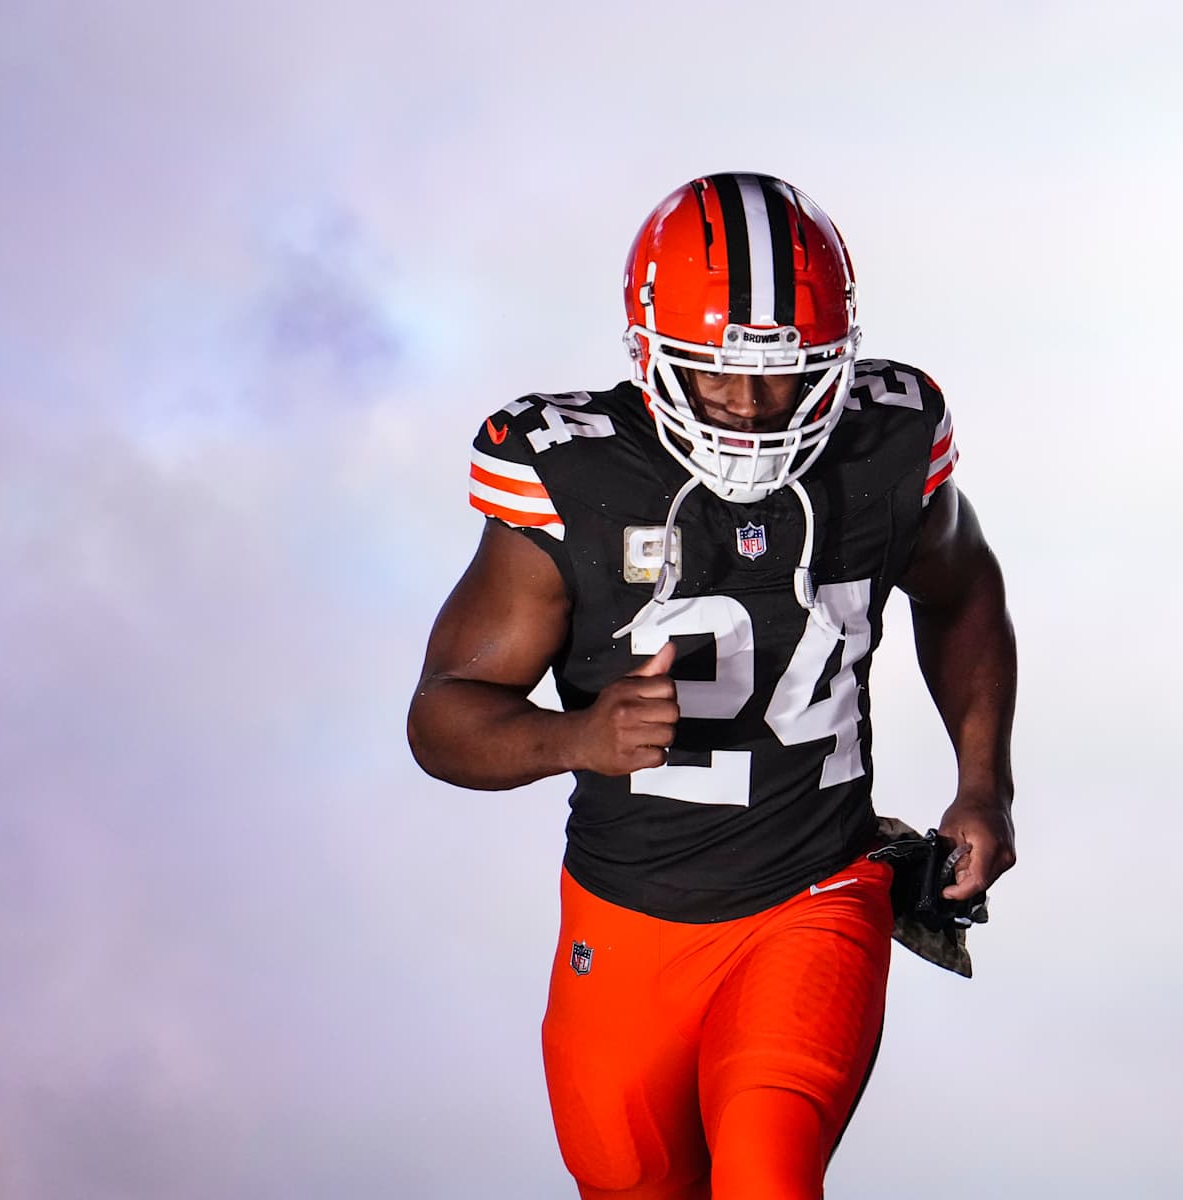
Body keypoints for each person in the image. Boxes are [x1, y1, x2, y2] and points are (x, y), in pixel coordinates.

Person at [407, 172, 1018, 1200]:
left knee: (765, 1178)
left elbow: (962, 595)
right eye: (715, 376)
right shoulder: (577, 477)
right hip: (628, 916)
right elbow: (440, 716)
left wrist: (982, 785)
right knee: (630, 1182)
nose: (747, 405)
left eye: (783, 377)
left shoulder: (888, 441)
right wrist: (576, 738)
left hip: (814, 897)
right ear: (648, 356)